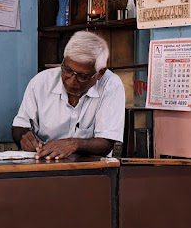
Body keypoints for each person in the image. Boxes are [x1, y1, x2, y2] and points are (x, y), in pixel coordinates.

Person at [11, 31, 125, 160]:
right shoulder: (41, 82)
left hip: (90, 166)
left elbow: (106, 143)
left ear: (100, 73)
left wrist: (74, 144)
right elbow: (19, 126)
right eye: (67, 70)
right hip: (43, 163)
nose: (71, 81)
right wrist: (24, 137)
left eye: (82, 76)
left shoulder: (111, 85)